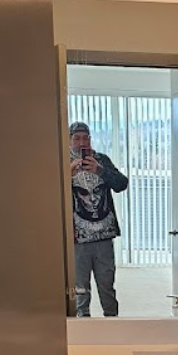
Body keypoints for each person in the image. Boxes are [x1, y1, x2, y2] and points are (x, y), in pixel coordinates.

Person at [68, 121, 129, 317]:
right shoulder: (62, 163)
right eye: (77, 138)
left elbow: (121, 184)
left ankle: (113, 329)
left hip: (104, 237)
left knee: (107, 288)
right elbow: (49, 195)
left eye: (86, 138)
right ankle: (82, 334)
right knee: (80, 291)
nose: (81, 142)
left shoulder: (101, 160)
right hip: (77, 239)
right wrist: (67, 175)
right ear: (69, 141)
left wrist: (100, 170)